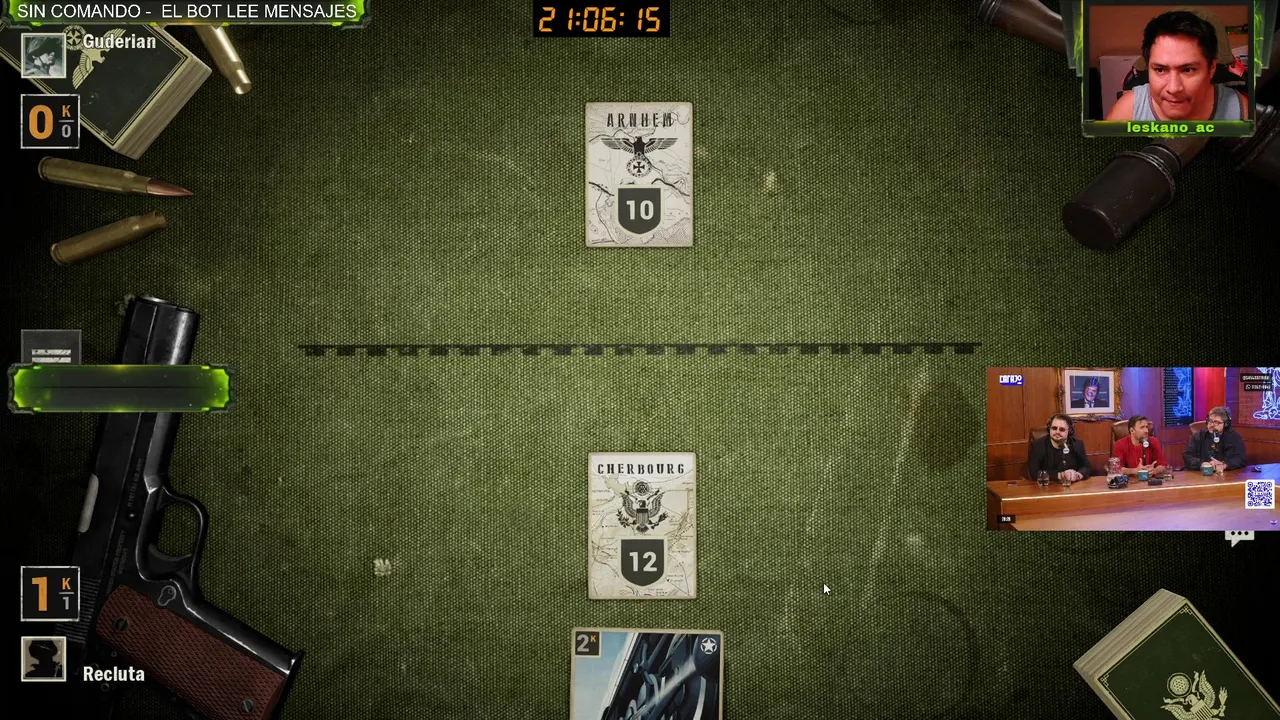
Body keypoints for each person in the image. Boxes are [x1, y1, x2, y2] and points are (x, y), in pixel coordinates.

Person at [1105, 11, 1249, 122]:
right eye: (1160, 69)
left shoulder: (1241, 112)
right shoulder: (1126, 112)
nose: (1173, 88)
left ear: (1211, 68)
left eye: (1187, 70)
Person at [1028, 413, 1093, 482]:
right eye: (1054, 428)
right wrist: (1060, 475)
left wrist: (1077, 475)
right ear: (1049, 429)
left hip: (1072, 485)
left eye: (1062, 429)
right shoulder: (1037, 446)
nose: (1057, 432)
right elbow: (1034, 473)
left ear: (1069, 431)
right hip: (1048, 485)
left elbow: (1087, 467)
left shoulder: (1077, 445)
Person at [1182, 406, 1246, 472]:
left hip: (1224, 474)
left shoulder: (1233, 436)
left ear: (1226, 424)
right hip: (1199, 473)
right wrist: (1201, 463)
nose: (1212, 424)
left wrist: (1224, 465)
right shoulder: (1197, 436)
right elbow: (1187, 456)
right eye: (1210, 421)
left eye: (1217, 422)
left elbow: (1241, 459)